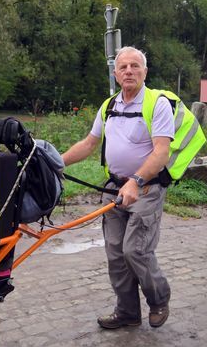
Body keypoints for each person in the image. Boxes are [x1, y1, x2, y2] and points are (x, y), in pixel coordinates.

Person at [61, 46, 175, 330]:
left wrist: (135, 181)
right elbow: (89, 143)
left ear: (145, 72)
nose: (129, 71)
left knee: (135, 251)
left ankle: (159, 298)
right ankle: (127, 313)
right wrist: (57, 162)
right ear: (115, 73)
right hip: (114, 190)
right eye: (123, 67)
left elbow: (161, 152)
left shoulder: (156, 103)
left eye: (135, 66)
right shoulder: (109, 105)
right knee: (115, 255)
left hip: (145, 189)